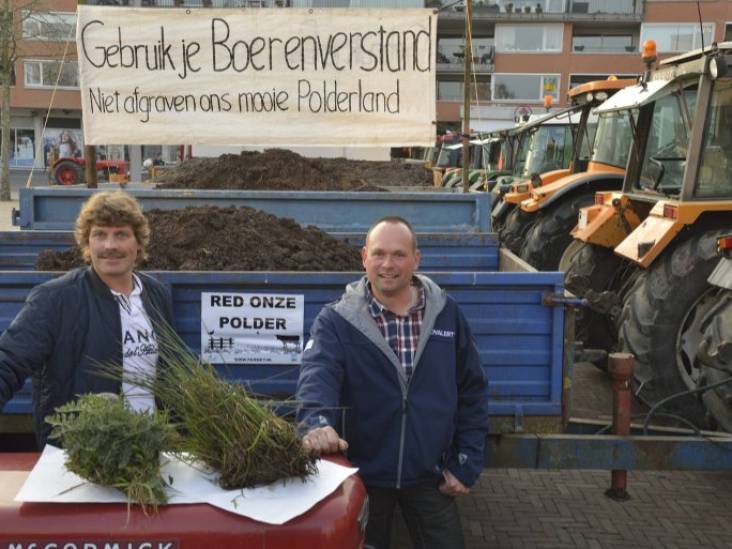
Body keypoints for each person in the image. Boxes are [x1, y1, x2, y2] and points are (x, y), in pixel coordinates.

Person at [296, 216, 489, 549]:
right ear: (364, 257)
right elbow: (317, 375)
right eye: (379, 253)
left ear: (416, 259)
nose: (388, 264)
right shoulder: (337, 321)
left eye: (399, 254)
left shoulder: (447, 314)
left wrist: (466, 464)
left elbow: (473, 390)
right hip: (363, 477)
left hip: (431, 475)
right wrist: (316, 423)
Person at [0, 191, 174, 448]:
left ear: (138, 243)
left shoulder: (156, 294)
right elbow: (8, 362)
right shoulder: (55, 298)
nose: (110, 246)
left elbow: (170, 371)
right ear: (87, 243)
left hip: (147, 449)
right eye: (100, 234)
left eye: (121, 234)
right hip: (82, 455)